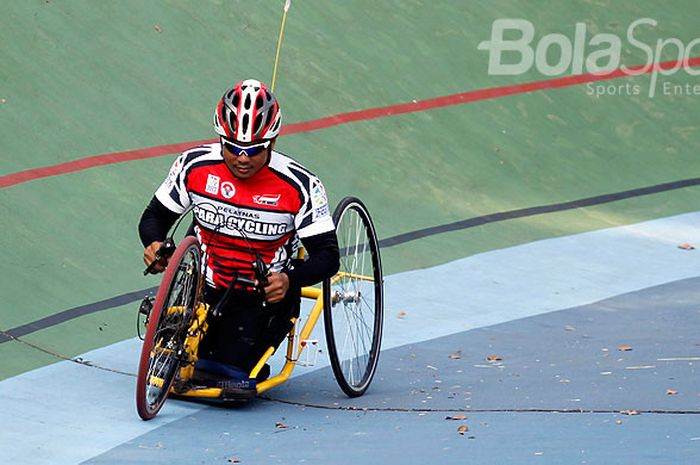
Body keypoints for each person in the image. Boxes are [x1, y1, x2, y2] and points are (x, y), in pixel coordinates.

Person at [138, 79, 339, 396]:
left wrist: (289, 280)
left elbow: (328, 256)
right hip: (205, 287)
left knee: (228, 373)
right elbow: (154, 218)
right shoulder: (194, 165)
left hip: (262, 294)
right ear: (220, 138)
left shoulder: (300, 184)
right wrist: (154, 244)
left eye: (254, 150)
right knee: (179, 362)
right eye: (232, 148)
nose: (242, 158)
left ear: (271, 143)